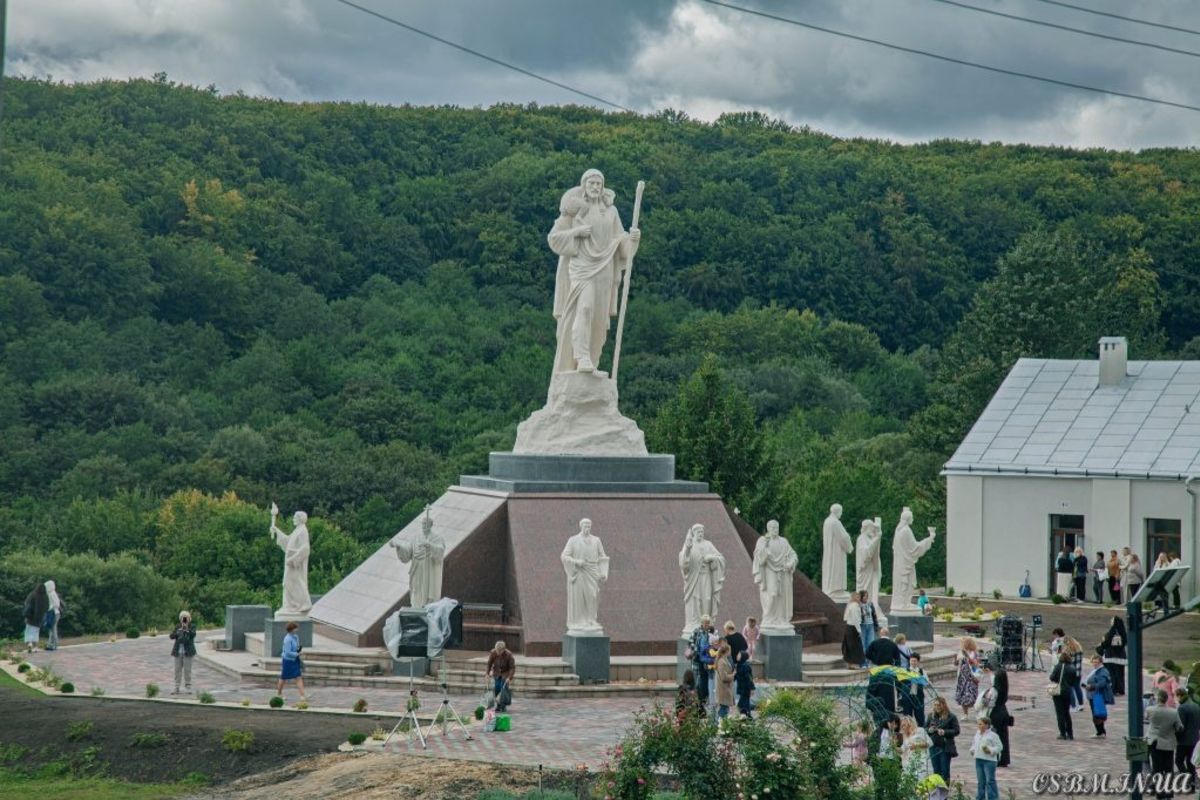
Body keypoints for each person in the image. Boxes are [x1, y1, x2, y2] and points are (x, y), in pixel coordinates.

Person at [547, 168, 639, 374]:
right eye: (592, 184)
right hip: (581, 268)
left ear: (603, 187)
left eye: (599, 184)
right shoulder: (575, 211)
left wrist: (632, 240)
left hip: (605, 269)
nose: (596, 187)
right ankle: (581, 357)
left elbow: (621, 243)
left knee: (598, 317)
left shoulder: (611, 212)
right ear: (584, 187)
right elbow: (554, 238)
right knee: (585, 308)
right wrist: (577, 232)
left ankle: (593, 358)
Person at [1146, 689, 1182, 798]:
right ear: (1166, 699)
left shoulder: (1150, 709)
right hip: (1168, 743)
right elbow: (1179, 726)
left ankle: (1159, 792)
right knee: (1168, 768)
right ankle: (1169, 791)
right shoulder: (1173, 712)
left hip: (1154, 742)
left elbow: (1146, 717)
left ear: (1157, 698)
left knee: (1157, 768)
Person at [925, 697, 960, 784]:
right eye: (935, 705)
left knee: (944, 770)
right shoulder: (931, 716)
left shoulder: (951, 717)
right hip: (933, 746)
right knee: (936, 770)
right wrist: (929, 730)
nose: (937, 707)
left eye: (939, 705)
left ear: (943, 705)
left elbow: (956, 731)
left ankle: (944, 792)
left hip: (945, 747)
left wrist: (945, 732)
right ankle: (937, 791)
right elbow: (924, 728)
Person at [970, 716, 1003, 800]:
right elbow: (974, 744)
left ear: (987, 725)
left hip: (989, 761)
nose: (979, 726)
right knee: (981, 781)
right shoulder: (977, 733)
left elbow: (1000, 747)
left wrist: (990, 750)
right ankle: (980, 797)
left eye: (980, 724)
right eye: (978, 724)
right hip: (978, 759)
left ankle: (993, 798)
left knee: (990, 781)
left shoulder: (993, 735)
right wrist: (972, 750)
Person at [987, 658, 1012, 768]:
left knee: (996, 736)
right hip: (1003, 710)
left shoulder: (995, 689)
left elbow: (990, 702)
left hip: (996, 712)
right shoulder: (1004, 684)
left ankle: (998, 757)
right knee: (1004, 736)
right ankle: (1005, 758)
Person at [1174, 687, 1199, 791]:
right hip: (1194, 739)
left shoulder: (1182, 708)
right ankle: (1192, 784)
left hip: (1184, 741)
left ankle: (1187, 779)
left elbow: (1180, 727)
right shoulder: (1196, 706)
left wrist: (1176, 738)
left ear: (1180, 695)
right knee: (1191, 763)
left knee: (1179, 761)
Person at [276, 621, 307, 702]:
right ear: (292, 629)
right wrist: (297, 653)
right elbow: (287, 652)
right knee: (283, 678)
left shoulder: (295, 637)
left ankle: (302, 695)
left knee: (298, 677)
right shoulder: (287, 639)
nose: (297, 629)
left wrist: (298, 650)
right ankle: (279, 694)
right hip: (288, 661)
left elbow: (296, 646)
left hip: (295, 660)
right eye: (295, 628)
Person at [1084, 655, 1114, 737]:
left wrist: (1092, 686)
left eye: (1096, 662)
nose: (1094, 664)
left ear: (1100, 662)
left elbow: (1102, 683)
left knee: (1097, 714)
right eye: (1093, 662)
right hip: (1093, 695)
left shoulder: (1102, 671)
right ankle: (1100, 731)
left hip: (1097, 695)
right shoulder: (1096, 670)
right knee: (1096, 713)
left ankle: (1100, 732)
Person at [1098, 616, 1128, 696]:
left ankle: (1113, 689)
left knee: (1112, 674)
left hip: (1110, 656)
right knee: (1120, 674)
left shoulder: (1111, 632)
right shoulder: (1123, 632)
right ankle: (1121, 689)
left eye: (1112, 621)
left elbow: (1106, 643)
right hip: (1121, 657)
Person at [169, 610, 197, 695]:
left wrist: (186, 629)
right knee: (177, 670)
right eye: (182, 618)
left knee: (187, 670)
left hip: (188, 652)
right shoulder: (178, 626)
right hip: (178, 652)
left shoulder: (192, 626)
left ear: (189, 618)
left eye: (186, 618)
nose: (184, 620)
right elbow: (171, 636)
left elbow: (193, 635)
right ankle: (176, 687)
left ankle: (188, 687)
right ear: (180, 619)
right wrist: (178, 631)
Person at [688, 616, 712, 710]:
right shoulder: (696, 631)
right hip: (697, 662)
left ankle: (703, 701)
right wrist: (698, 651)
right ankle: (698, 704)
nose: (707, 625)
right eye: (705, 623)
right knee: (697, 682)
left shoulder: (711, 632)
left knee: (705, 682)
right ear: (702, 623)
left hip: (707, 663)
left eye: (708, 623)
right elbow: (691, 644)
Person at [901, 715, 934, 783]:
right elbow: (902, 749)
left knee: (921, 781)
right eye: (902, 726)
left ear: (909, 723)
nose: (903, 728)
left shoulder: (920, 730)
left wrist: (916, 746)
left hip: (922, 759)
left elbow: (930, 743)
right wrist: (892, 746)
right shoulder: (905, 736)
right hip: (910, 762)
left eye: (904, 725)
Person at [1050, 652, 1076, 740]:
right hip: (1068, 691)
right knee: (1066, 712)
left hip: (1058, 691)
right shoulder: (1072, 668)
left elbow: (1052, 677)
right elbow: (1074, 681)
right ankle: (1070, 733)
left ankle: (1062, 733)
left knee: (1059, 713)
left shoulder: (1058, 666)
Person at [486, 640, 516, 713]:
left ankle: (503, 706)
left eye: (499, 651)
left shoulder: (509, 655)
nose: (498, 653)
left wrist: (509, 677)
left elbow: (512, 667)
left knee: (503, 688)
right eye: (497, 651)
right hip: (496, 673)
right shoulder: (493, 653)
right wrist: (487, 673)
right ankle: (498, 705)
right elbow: (489, 663)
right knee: (497, 688)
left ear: (503, 650)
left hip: (505, 673)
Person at [954, 637, 980, 715]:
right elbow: (956, 664)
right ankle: (965, 714)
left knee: (971, 695)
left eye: (963, 642)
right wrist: (955, 659)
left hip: (971, 677)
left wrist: (967, 656)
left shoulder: (974, 653)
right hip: (962, 677)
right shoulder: (960, 652)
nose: (962, 644)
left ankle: (977, 712)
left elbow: (975, 664)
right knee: (962, 695)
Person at [23, 581, 48, 653]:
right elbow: (47, 607)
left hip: (30, 617)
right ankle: (35, 647)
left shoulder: (32, 594)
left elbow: (26, 603)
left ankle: (29, 643)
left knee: (28, 630)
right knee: (36, 632)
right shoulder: (45, 596)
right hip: (39, 618)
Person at [904, 652, 927, 726]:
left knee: (920, 717)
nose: (913, 662)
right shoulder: (905, 671)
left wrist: (920, 678)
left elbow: (926, 682)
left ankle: (922, 732)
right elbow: (900, 683)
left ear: (918, 662)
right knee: (907, 717)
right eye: (911, 660)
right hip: (908, 697)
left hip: (918, 696)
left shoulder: (922, 671)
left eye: (915, 661)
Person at [1062, 635, 1085, 711]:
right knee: (1077, 688)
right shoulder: (1079, 649)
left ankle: (1073, 706)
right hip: (1078, 672)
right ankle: (1081, 705)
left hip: (1070, 673)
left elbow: (1067, 662)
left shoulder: (1068, 651)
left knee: (1070, 689)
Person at [842, 597, 865, 669]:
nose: (859, 599)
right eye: (857, 597)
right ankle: (854, 664)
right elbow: (856, 620)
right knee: (855, 647)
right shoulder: (855, 606)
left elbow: (845, 618)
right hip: (853, 628)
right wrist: (859, 630)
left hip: (848, 627)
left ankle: (850, 664)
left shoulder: (850, 605)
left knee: (849, 646)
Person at [714, 641, 734, 720]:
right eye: (729, 650)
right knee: (723, 709)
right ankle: (718, 725)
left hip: (725, 688)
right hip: (723, 688)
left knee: (725, 708)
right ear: (726, 651)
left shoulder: (724, 660)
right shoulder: (722, 662)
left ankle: (721, 725)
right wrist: (732, 675)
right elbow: (723, 677)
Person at [859, 591, 879, 668]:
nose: (866, 598)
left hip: (870, 625)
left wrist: (876, 625)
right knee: (862, 644)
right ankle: (863, 662)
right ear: (861, 597)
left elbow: (874, 615)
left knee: (870, 644)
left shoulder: (870, 604)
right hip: (862, 626)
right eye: (864, 596)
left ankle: (869, 661)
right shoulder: (859, 605)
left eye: (867, 596)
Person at [43, 580, 62, 651]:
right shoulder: (49, 593)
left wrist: (49, 608)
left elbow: (57, 604)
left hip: (54, 613)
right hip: (51, 613)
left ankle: (54, 645)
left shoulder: (52, 593)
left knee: (53, 630)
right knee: (51, 630)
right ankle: (50, 645)